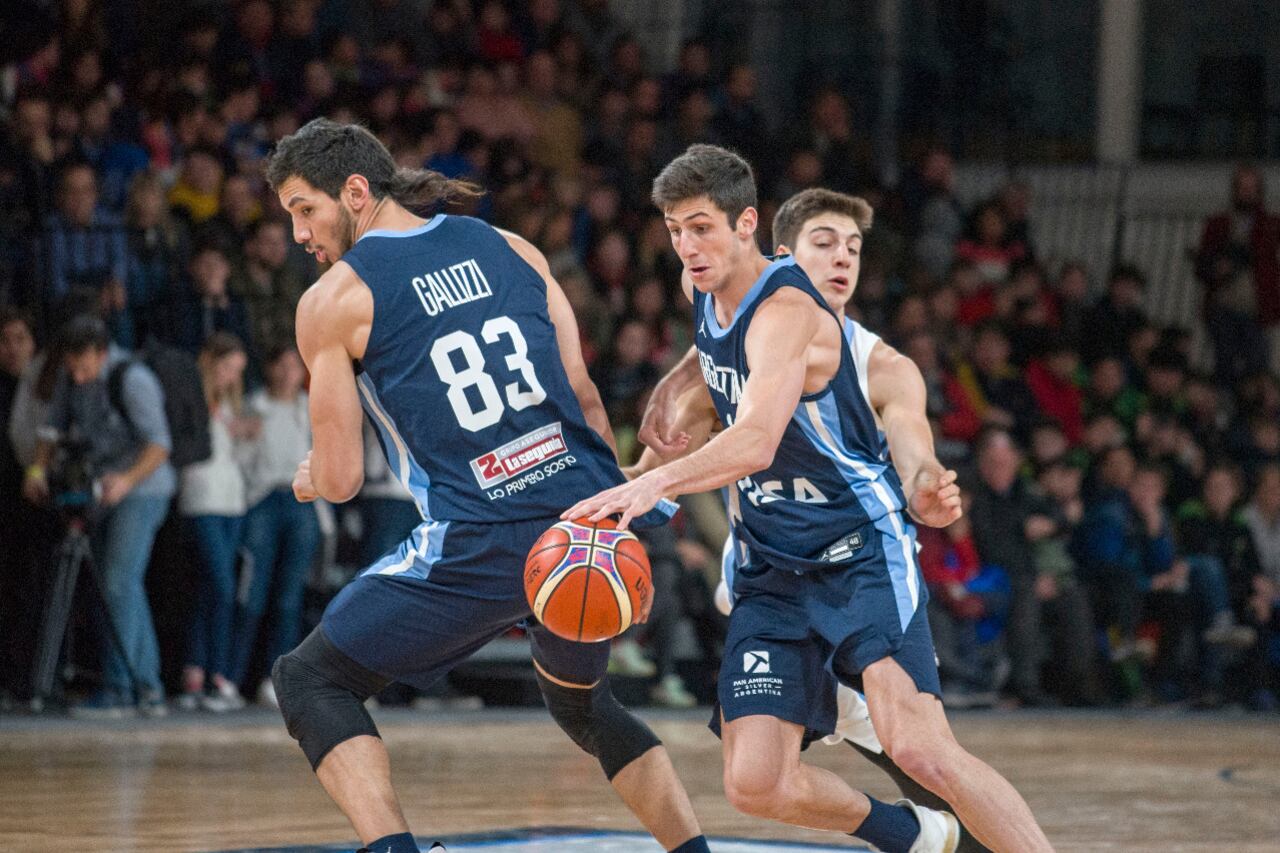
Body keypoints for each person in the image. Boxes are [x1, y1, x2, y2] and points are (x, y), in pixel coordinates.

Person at [565, 145, 1052, 852]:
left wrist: (653, 484)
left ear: (747, 225)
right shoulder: (700, 286)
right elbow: (712, 362)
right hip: (771, 564)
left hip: (855, 550)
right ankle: (921, 835)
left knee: (920, 749)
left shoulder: (793, 312)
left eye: (700, 227)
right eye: (674, 228)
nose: (686, 245)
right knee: (756, 782)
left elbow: (759, 438)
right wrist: (674, 390)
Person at [263, 119, 711, 853]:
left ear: (354, 191)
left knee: (310, 679)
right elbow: (585, 397)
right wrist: (617, 501)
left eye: (303, 208)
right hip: (581, 524)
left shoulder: (331, 300)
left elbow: (343, 480)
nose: (299, 232)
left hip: (481, 541)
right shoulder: (510, 246)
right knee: (585, 703)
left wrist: (313, 476)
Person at [22, 314, 175, 717]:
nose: (78, 375)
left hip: (143, 489)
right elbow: (50, 431)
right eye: (72, 367)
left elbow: (160, 445)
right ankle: (148, 687)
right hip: (103, 492)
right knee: (118, 586)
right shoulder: (69, 377)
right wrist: (37, 469)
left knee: (118, 582)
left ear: (102, 354)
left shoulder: (133, 378)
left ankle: (123, 688)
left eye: (85, 367)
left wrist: (125, 480)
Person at [229, 341, 320, 707]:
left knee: (288, 597)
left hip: (302, 501)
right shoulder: (254, 406)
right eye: (281, 364)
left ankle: (276, 680)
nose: (287, 373)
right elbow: (240, 458)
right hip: (263, 500)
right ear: (268, 368)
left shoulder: (310, 408)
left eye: (294, 366)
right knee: (252, 593)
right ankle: (231, 677)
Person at [178, 332, 255, 712]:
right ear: (210, 362)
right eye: (225, 368)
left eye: (236, 372)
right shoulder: (191, 396)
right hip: (201, 498)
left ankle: (198, 672)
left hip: (232, 501)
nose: (229, 377)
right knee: (222, 586)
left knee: (212, 589)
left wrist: (242, 434)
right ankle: (219, 673)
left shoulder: (228, 402)